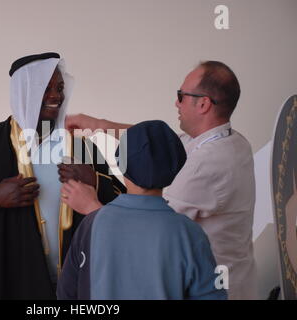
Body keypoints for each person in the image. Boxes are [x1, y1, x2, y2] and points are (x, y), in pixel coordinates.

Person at [62, 61, 257, 299]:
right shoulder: (231, 140)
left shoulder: (206, 165)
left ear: (204, 104)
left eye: (181, 96)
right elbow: (160, 144)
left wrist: (91, 208)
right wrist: (99, 125)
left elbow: (147, 230)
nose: (176, 102)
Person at [0, 53, 125, 299]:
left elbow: (126, 202)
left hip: (78, 279)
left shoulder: (80, 147)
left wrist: (95, 181)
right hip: (12, 279)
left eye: (59, 88)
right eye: (46, 89)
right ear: (25, 91)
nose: (56, 96)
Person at [57, 120, 227, 300]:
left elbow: (66, 292)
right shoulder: (190, 233)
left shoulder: (91, 224)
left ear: (120, 164)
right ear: (176, 168)